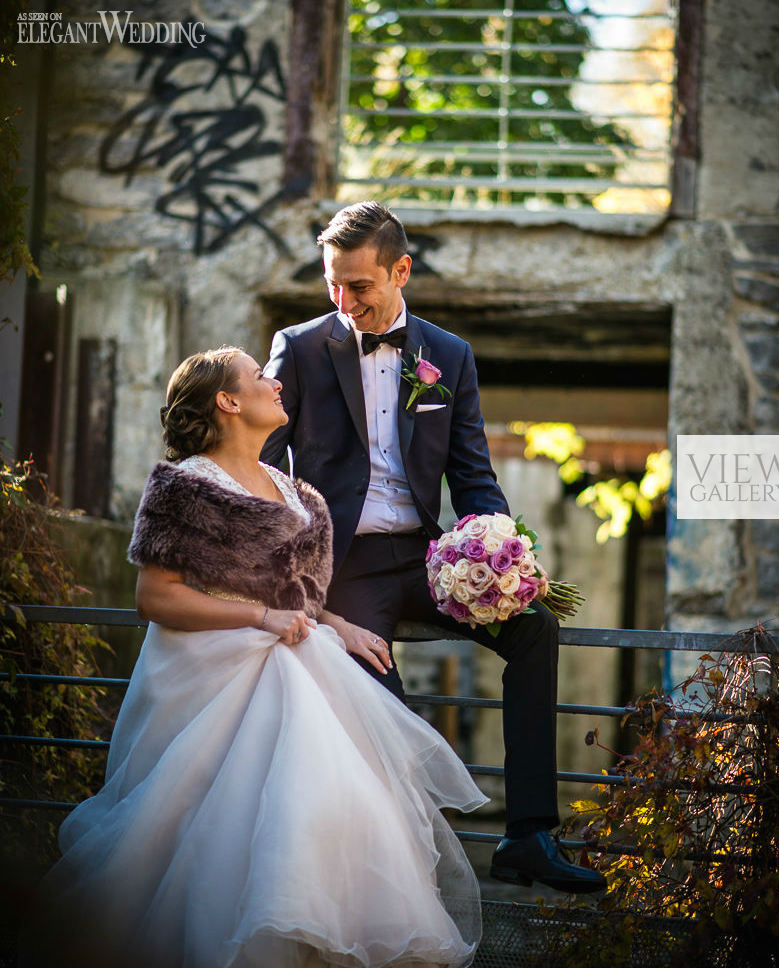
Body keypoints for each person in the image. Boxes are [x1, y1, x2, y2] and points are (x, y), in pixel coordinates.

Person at [26, 347, 487, 968]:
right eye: (258, 376)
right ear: (228, 401)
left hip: (296, 653)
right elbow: (155, 597)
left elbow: (293, 598)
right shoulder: (184, 484)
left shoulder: (302, 497)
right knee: (216, 814)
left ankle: (316, 932)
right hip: (209, 667)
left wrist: (337, 622)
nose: (275, 382)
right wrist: (260, 618)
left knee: (326, 794)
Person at [262, 201, 605, 895]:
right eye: (332, 283)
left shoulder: (448, 356)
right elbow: (263, 471)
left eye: (359, 285)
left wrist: (501, 555)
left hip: (426, 559)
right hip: (343, 569)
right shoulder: (298, 347)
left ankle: (530, 835)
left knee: (535, 627)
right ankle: (394, 868)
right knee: (384, 711)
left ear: (401, 271)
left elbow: (473, 475)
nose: (343, 300)